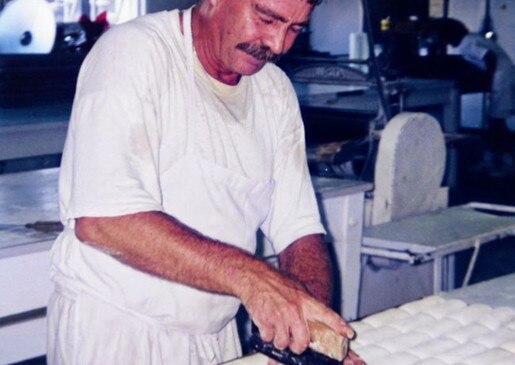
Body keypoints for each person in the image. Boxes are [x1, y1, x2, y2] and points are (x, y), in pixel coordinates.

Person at [46, 0, 365, 364]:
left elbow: (299, 229)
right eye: (266, 18)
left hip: (215, 336)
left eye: (295, 29)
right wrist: (252, 278)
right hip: (119, 331)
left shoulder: (274, 91)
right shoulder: (133, 53)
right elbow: (104, 221)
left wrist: (308, 338)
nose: (277, 44)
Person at [433, 17, 515, 176]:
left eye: (442, 37)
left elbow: (490, 58)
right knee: (495, 121)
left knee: (497, 122)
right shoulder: (470, 40)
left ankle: (507, 163)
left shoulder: (467, 43)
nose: (443, 41)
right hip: (503, 78)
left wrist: (487, 81)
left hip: (502, 79)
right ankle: (490, 159)